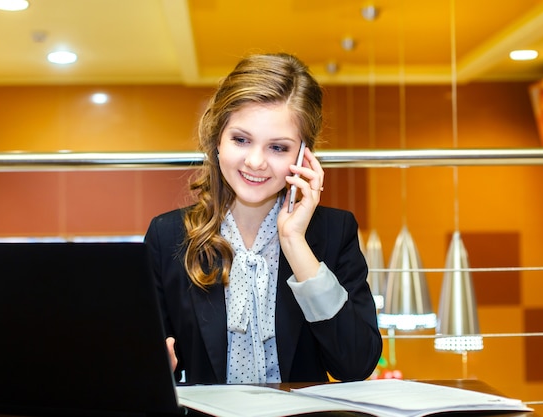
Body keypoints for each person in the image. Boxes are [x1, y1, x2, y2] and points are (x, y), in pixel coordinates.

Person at [144, 52, 382, 385]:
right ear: (217, 141)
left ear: (304, 156)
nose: (255, 161)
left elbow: (356, 365)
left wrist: (294, 243)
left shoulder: (334, 231)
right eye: (241, 140)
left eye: (278, 148)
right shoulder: (167, 235)